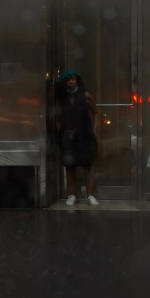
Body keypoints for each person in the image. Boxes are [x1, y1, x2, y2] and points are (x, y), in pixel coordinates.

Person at [54, 70, 99, 206]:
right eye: (68, 80)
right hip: (68, 135)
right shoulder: (62, 99)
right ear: (65, 83)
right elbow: (58, 117)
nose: (71, 82)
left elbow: (96, 112)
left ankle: (90, 195)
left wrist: (94, 130)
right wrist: (59, 132)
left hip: (85, 134)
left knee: (88, 165)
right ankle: (72, 194)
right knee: (70, 165)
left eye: (73, 79)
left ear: (77, 81)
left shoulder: (85, 96)